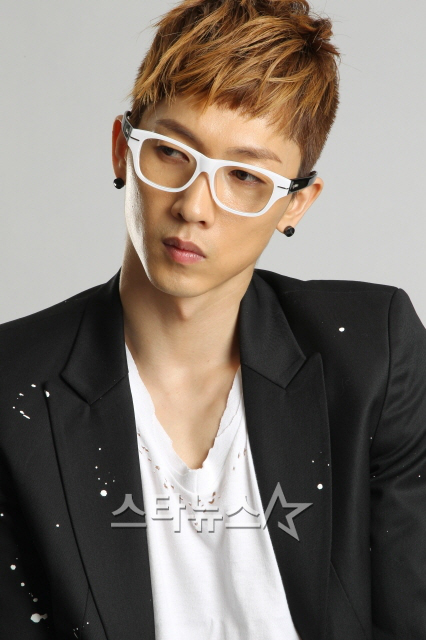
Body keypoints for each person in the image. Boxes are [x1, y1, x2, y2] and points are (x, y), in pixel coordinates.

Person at [1, 0, 425, 638]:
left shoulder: (371, 358)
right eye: (172, 152)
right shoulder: (15, 387)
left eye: (245, 176)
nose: (195, 206)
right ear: (121, 150)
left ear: (297, 204)